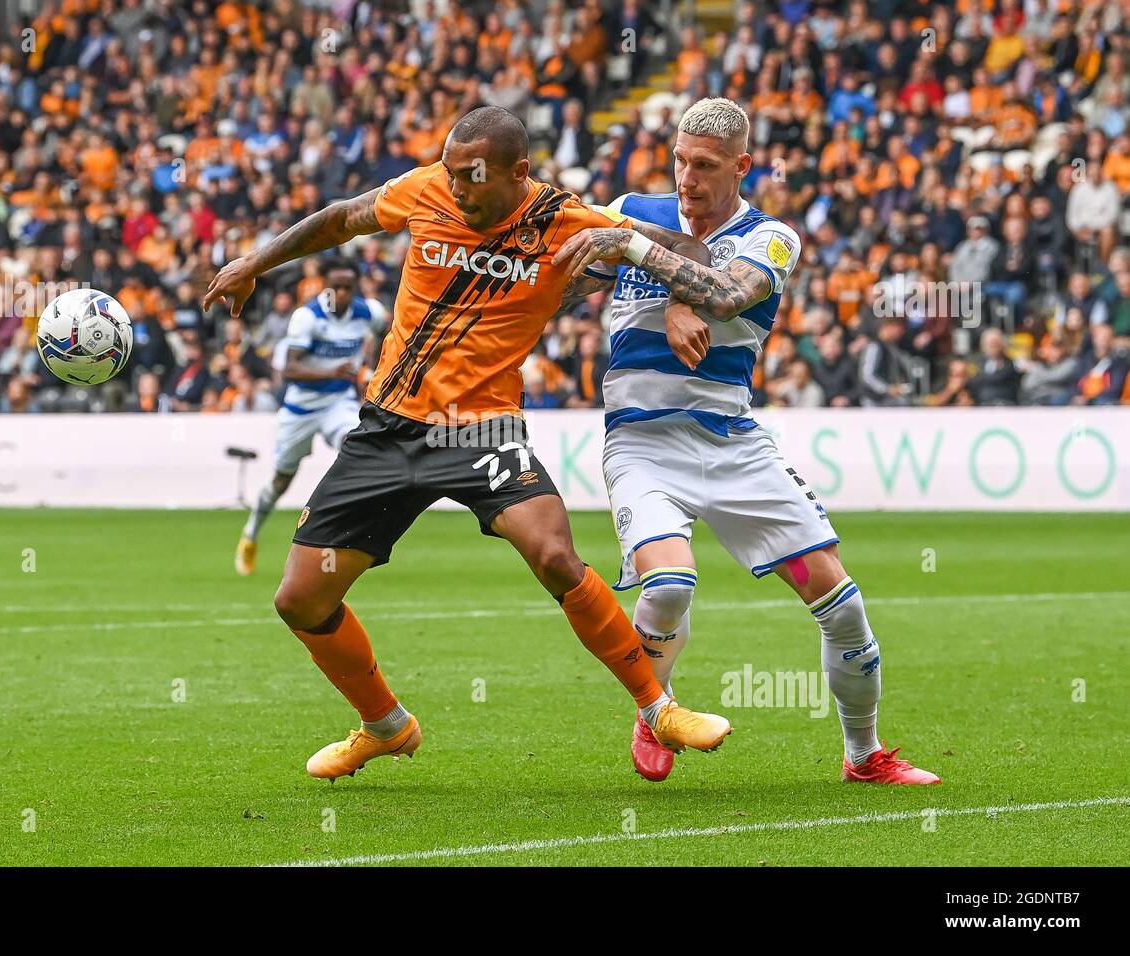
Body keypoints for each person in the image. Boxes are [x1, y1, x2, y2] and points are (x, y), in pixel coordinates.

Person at [203, 107, 731, 780]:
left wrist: (678, 301)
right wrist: (255, 260)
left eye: (473, 179)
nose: (456, 191)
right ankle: (386, 726)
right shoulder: (426, 188)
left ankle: (658, 708)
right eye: (451, 174)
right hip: (389, 427)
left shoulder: (569, 221)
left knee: (554, 555)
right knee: (300, 599)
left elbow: (692, 251)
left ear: (520, 173)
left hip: (484, 428)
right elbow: (340, 217)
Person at [552, 98, 940, 785]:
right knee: (669, 586)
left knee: (842, 603)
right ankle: (657, 711)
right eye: (679, 161)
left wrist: (649, 266)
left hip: (733, 444)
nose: (686, 179)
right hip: (642, 443)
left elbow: (727, 296)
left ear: (743, 166)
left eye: (704, 166)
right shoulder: (627, 210)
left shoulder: (772, 237)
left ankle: (864, 755)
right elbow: (561, 287)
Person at [235, 257, 387, 575]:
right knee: (280, 481)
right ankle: (250, 534)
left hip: (338, 405)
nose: (344, 294)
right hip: (300, 409)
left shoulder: (368, 312)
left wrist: (370, 365)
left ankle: (347, 530)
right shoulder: (307, 317)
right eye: (338, 287)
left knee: (355, 444)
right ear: (325, 285)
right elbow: (290, 369)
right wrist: (333, 370)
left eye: (349, 287)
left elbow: (388, 332)